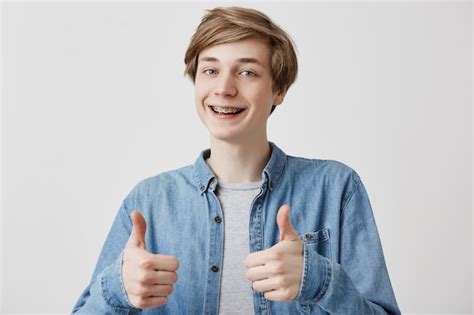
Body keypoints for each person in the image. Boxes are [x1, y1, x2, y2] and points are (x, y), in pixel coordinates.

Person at [72, 6, 401, 314]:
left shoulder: (335, 188)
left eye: (247, 72)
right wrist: (117, 290)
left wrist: (319, 280)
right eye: (211, 70)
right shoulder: (149, 201)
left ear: (279, 90)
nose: (224, 88)